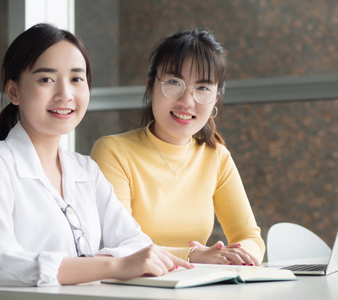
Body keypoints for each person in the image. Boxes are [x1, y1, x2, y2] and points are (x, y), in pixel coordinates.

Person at [0, 23, 191, 300]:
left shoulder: (85, 169)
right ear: (14, 92)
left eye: (76, 79)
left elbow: (136, 244)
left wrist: (100, 265)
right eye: (46, 79)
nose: (65, 94)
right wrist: (110, 265)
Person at [91, 29, 265, 266]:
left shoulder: (216, 157)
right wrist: (195, 256)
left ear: (216, 98)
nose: (187, 101)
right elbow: (119, 245)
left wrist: (235, 255)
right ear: (151, 85)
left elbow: (250, 237)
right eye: (174, 82)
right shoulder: (113, 151)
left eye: (203, 88)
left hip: (195, 286)